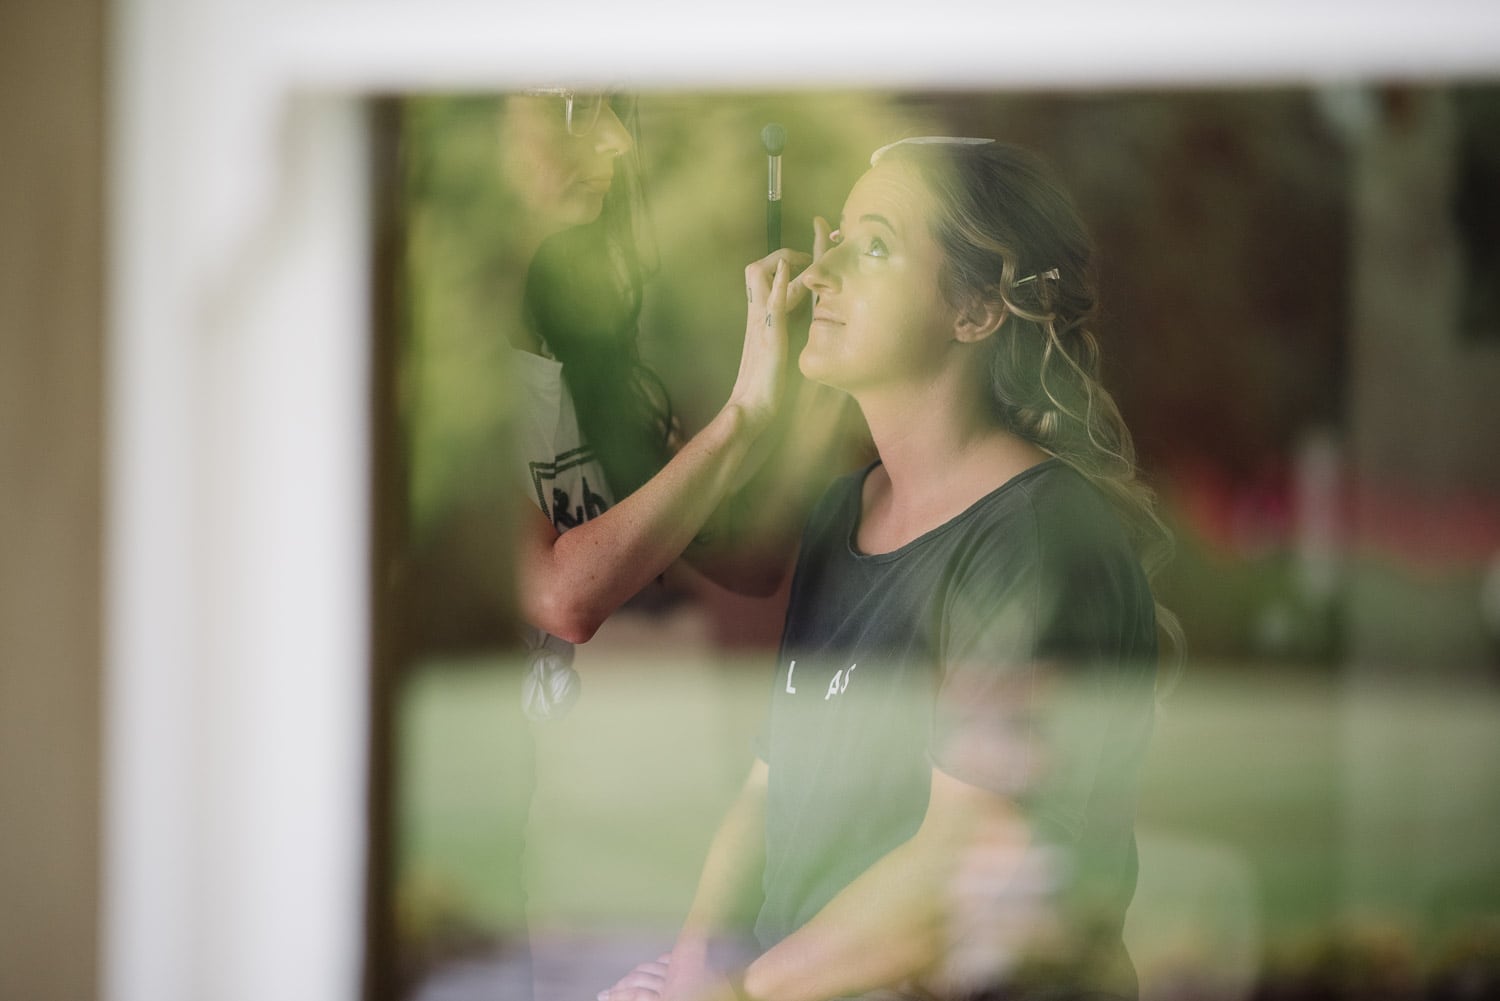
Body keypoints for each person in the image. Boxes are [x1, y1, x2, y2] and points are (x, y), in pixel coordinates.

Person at [600, 137, 1182, 1001]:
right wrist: (689, 971)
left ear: (978, 310)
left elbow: (961, 866)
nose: (814, 271)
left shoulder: (1038, 536)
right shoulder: (847, 511)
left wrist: (739, 994)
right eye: (831, 235)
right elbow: (768, 791)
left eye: (872, 246)